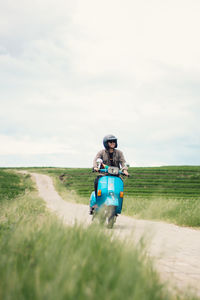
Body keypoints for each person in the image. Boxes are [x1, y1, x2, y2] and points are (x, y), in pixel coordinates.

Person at [90, 134, 129, 214]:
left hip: (116, 175)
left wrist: (125, 170)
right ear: (106, 143)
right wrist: (95, 167)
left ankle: (117, 206)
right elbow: (96, 159)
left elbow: (123, 162)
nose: (112, 143)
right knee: (97, 182)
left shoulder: (119, 153)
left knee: (120, 189)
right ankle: (97, 203)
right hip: (103, 175)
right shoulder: (101, 152)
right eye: (110, 142)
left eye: (114, 141)